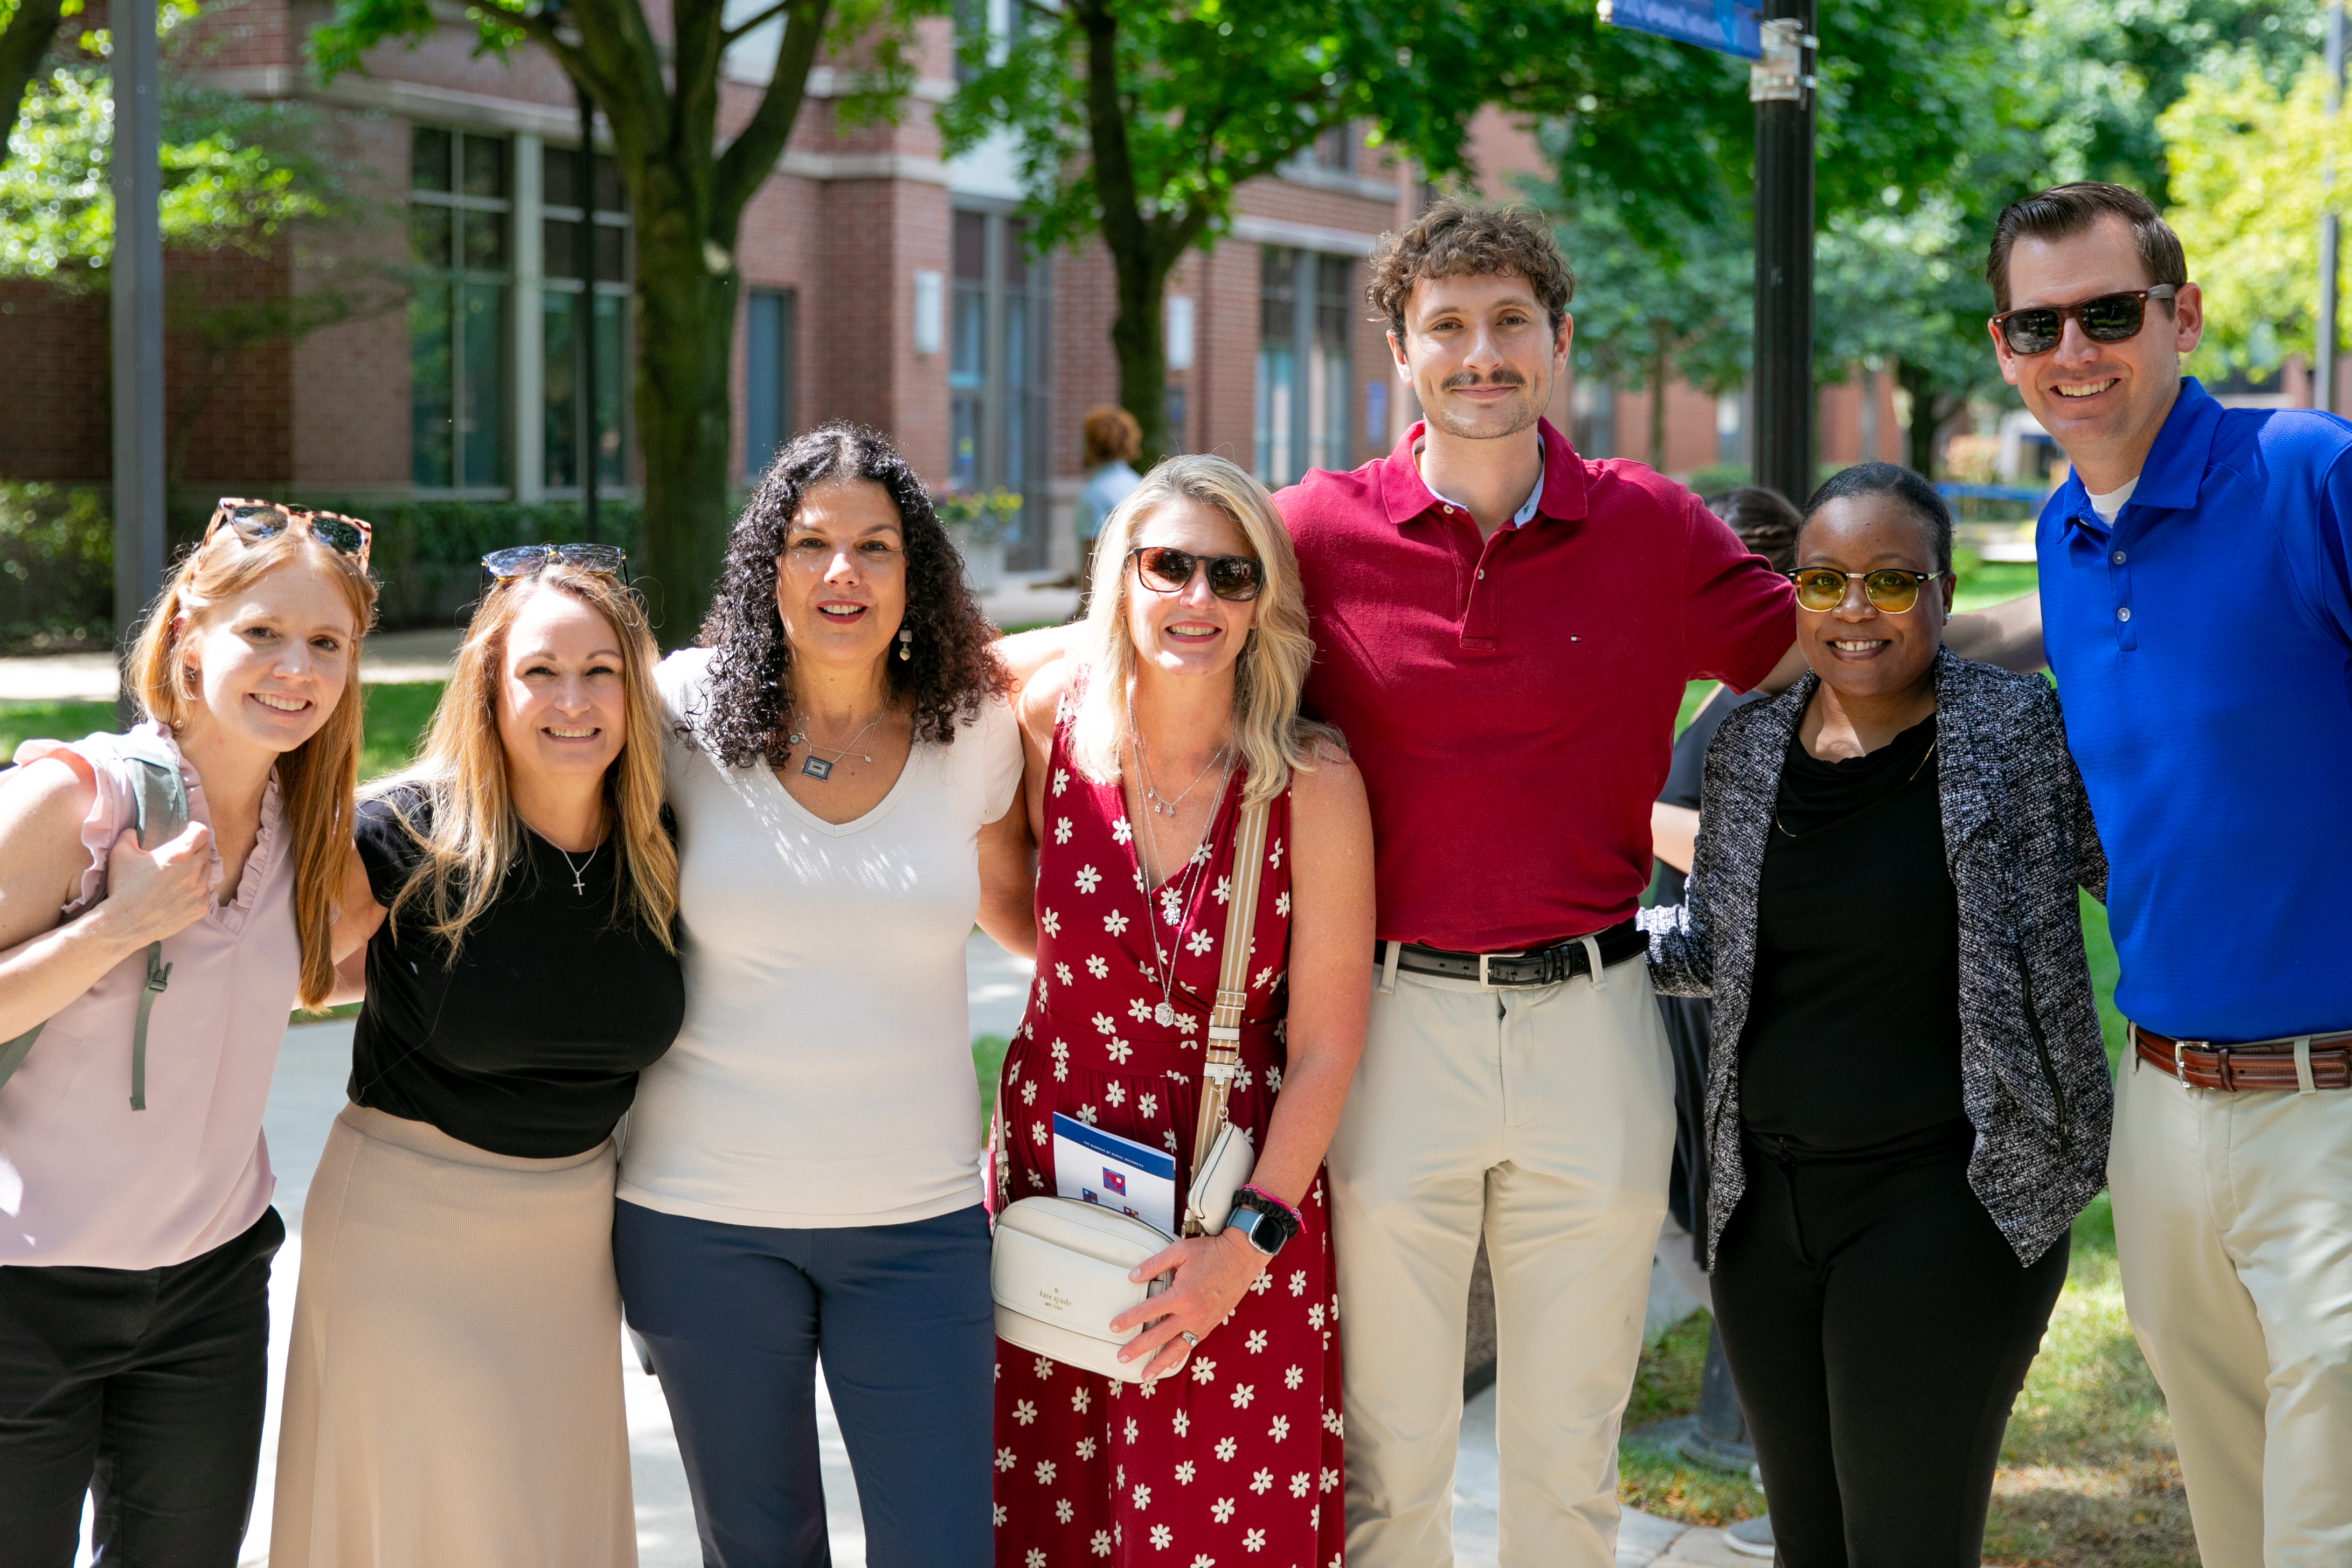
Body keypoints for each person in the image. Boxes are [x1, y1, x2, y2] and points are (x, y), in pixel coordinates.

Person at [991, 200, 2038, 1567]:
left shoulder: (1650, 527)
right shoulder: (1311, 532)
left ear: (1556, 341)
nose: (1477, 354)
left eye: (1506, 324)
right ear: (1398, 349)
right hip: (1387, 1022)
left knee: (1565, 1456)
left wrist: (2066, 623)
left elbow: (1829, 649)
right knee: (1389, 1452)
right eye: (1446, 328)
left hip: (1590, 1017)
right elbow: (1140, 619)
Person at [1640, 464, 2111, 1565]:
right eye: (1825, 580)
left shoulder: (2019, 736)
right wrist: (1585, 950)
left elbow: (2147, 869)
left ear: (1943, 596)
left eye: (1892, 583)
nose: (1854, 610)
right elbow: (1723, 941)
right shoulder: (1752, 747)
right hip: (1765, 1217)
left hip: (1947, 1207)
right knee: (1810, 1548)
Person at [1981, 181, 2352, 1565]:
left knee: (2328, 1512)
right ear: (2002, 347)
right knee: (2233, 1507)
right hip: (2163, 1102)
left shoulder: (2311, 472)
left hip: (2335, 1099)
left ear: (2179, 315)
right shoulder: (2064, 539)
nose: (2072, 349)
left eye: (2107, 312)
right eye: (2035, 323)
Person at [613, 422, 1033, 1568]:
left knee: (943, 1545)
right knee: (759, 1552)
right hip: (701, 1221)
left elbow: (1019, 911)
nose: (842, 573)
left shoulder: (974, 728)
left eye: (875, 547)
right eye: (810, 544)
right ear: (769, 566)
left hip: (917, 1222)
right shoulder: (679, 711)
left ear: (917, 574)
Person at [991, 455, 1375, 1567]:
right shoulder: (1048, 725)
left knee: (1217, 1529)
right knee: (1048, 1520)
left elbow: (1325, 1048)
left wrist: (1246, 1248)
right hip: (1050, 1190)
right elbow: (1029, 921)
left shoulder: (1310, 783)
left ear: (1266, 604)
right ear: (1119, 577)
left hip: (1224, 1207)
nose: (1197, 599)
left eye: (1231, 575)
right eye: (1166, 566)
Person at [269, 546, 682, 1567]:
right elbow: (268, 972)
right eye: (540, 671)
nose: (572, 700)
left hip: (570, 1249)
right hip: (409, 1234)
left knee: (543, 1530)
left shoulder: (664, 845)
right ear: (490, 687)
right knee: (436, 1526)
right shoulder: (404, 836)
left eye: (601, 672)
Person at [0, 499, 377, 1567]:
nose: (292, 667)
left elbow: (310, 984)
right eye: (261, 632)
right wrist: (117, 929)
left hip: (207, 1296)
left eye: (325, 643)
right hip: (23, 1295)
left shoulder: (305, 835)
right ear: (187, 637)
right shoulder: (79, 798)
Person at [1650, 486, 1803, 1251]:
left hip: (1730, 991)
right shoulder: (1719, 688)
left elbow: (1750, 844)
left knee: (1731, 1207)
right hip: (1693, 977)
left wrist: (1622, 812)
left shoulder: (1771, 698)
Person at [1074, 405, 1144, 613]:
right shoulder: (1139, 484)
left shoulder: (1094, 494)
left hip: (1110, 603)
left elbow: (1092, 558)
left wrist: (1083, 610)